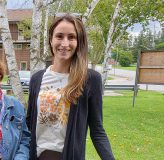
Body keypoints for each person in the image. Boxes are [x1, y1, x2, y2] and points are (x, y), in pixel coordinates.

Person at [26, 13, 114, 160]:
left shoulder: (90, 79)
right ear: (51, 39)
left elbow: (97, 130)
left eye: (71, 37)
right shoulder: (37, 79)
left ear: (79, 42)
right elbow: (28, 125)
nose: (65, 43)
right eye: (59, 36)